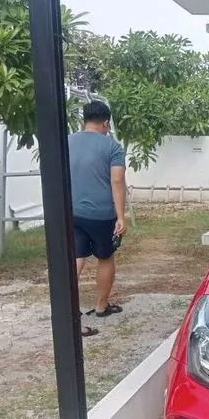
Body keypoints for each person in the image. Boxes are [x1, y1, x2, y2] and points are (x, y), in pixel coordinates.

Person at [69, 100, 128, 336]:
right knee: (105, 256)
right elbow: (117, 181)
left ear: (85, 120)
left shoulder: (67, 141)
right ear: (106, 123)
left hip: (71, 212)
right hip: (101, 214)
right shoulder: (112, 147)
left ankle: (70, 315)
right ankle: (101, 306)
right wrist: (121, 216)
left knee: (76, 257)